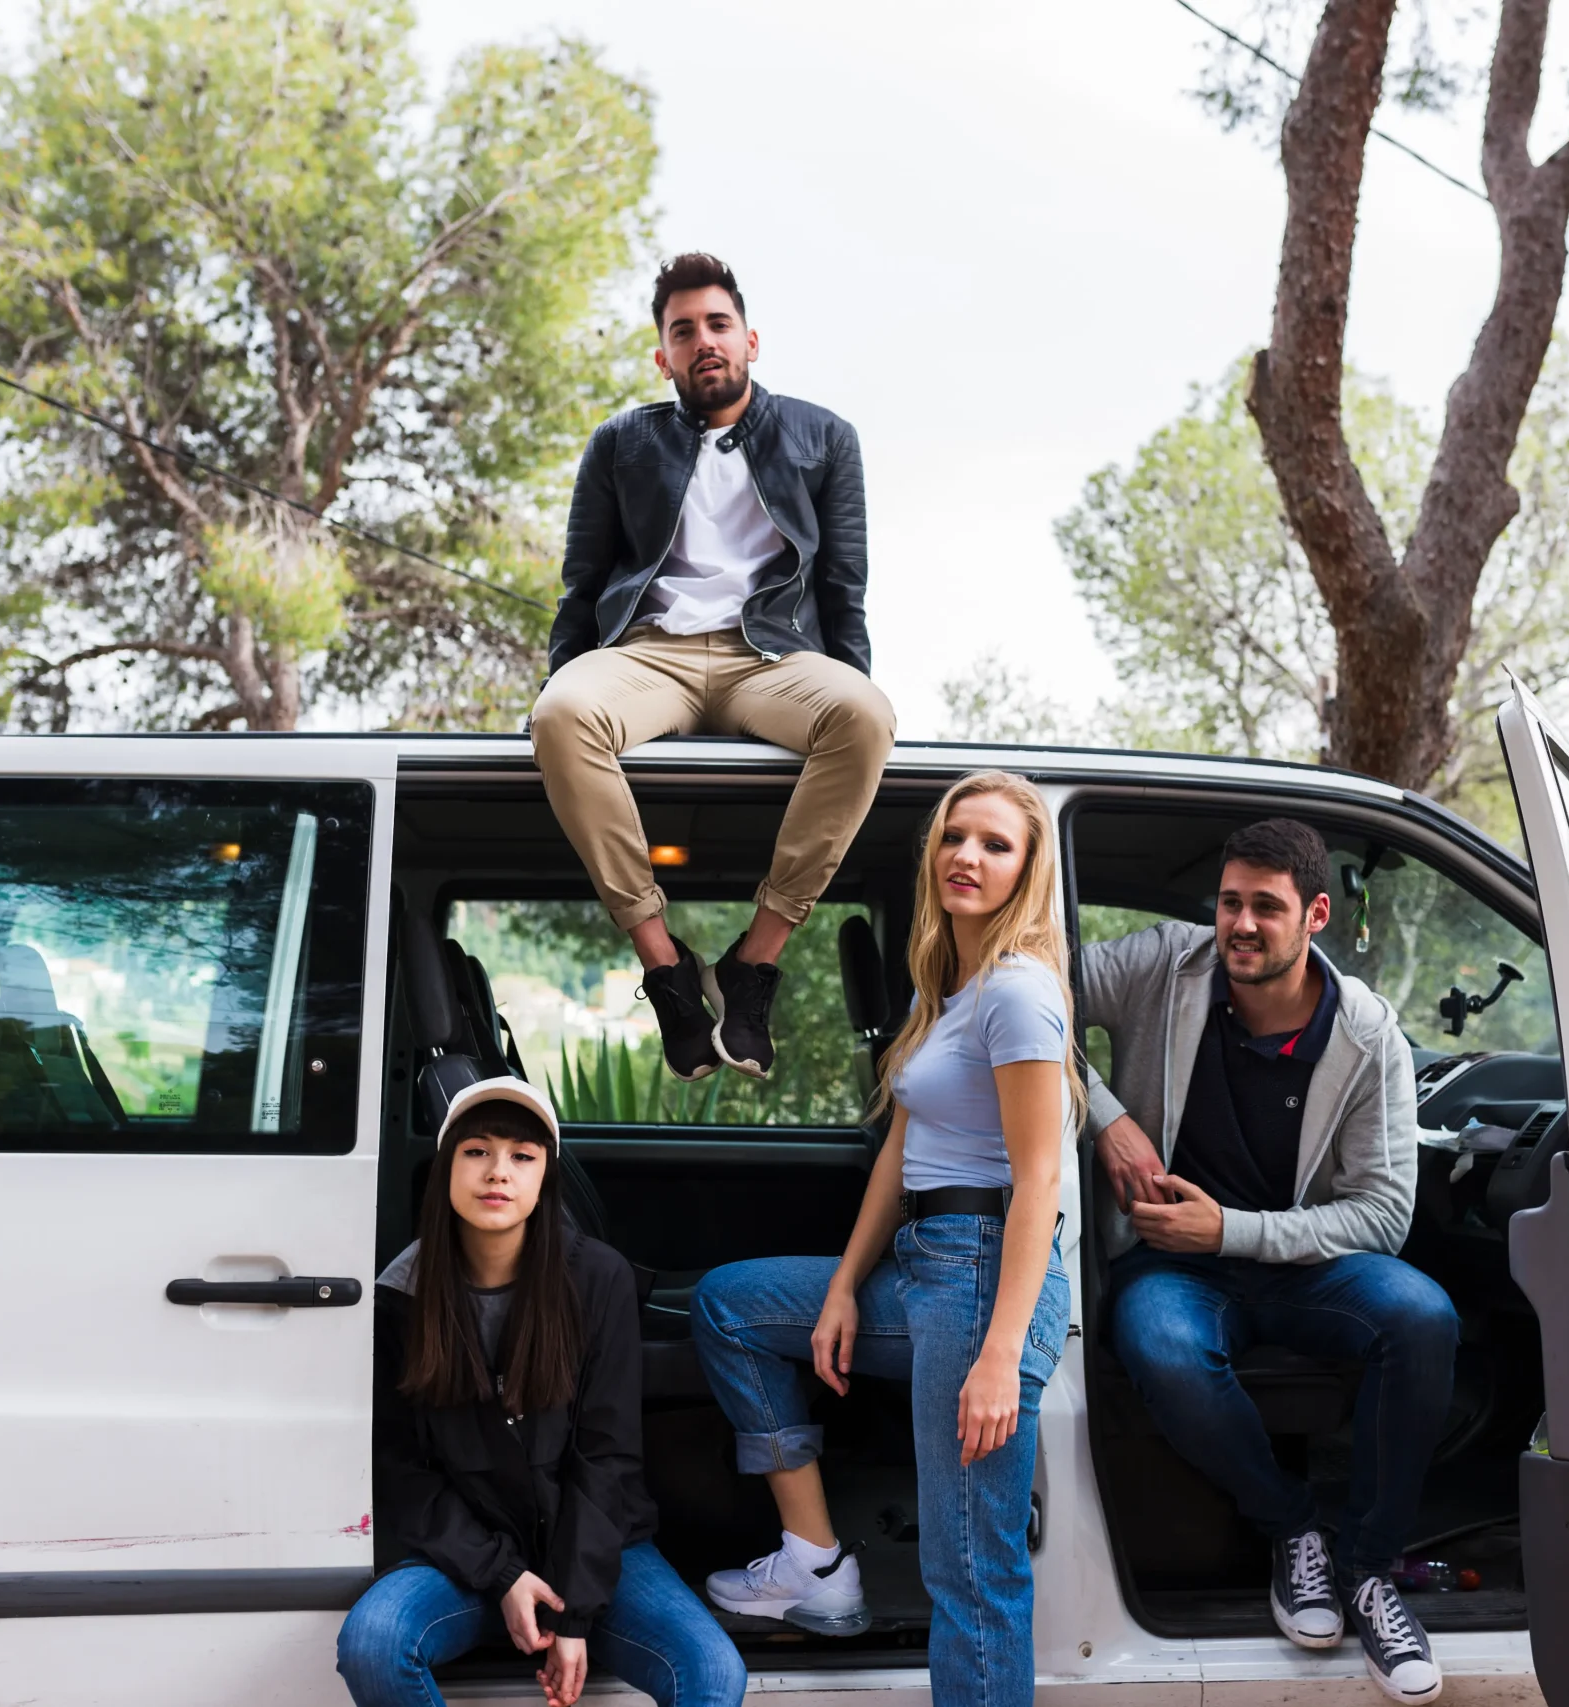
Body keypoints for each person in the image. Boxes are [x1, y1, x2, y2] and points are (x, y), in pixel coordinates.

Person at [689, 771, 1075, 1707]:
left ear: (1028, 871)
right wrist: (841, 1287)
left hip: (986, 1277)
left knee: (972, 1574)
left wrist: (997, 1355)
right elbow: (901, 1153)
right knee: (732, 1305)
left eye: (994, 844)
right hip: (929, 1264)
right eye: (954, 837)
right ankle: (813, 1559)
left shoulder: (1018, 993)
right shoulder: (949, 986)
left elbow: (1038, 1182)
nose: (966, 857)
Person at [1083, 819, 1456, 1704]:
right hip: (1167, 1264)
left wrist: (1232, 1231)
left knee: (1424, 1315)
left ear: (1315, 914)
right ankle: (1295, 1529)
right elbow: (1018, 1000)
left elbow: (1383, 1215)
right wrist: (1108, 1116)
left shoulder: (1369, 1036)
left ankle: (1368, 1572)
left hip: (1294, 1261)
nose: (1240, 925)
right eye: (1229, 902)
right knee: (1164, 1345)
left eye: (1266, 907)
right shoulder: (1160, 964)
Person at [531, 251, 894, 1087]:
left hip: (770, 656)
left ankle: (753, 963)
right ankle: (665, 967)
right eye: (682, 330)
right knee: (559, 715)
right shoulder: (620, 443)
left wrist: (851, 694)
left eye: (717, 325)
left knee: (867, 714)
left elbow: (845, 589)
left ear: (751, 340)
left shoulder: (824, 437)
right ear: (663, 356)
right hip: (649, 655)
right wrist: (561, 682)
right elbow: (581, 588)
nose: (703, 342)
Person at [337, 1071, 746, 1707]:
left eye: (521, 1157)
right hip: (469, 1555)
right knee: (373, 1640)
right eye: (476, 1153)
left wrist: (575, 1614)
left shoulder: (596, 1277)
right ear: (445, 1169)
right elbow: (401, 1471)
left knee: (714, 1673)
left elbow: (606, 1456)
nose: (498, 1172)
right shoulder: (402, 1294)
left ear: (544, 1178)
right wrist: (501, 1574)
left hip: (597, 1549)